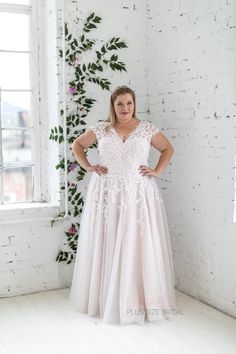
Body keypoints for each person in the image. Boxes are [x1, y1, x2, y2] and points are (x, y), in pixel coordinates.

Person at [68, 85, 179, 325]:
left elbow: (168, 148)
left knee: (137, 243)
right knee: (107, 241)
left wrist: (157, 171)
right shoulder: (102, 129)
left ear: (134, 104)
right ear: (113, 105)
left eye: (129, 103)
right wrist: (88, 166)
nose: (125, 108)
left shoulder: (146, 129)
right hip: (107, 192)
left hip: (138, 192)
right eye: (120, 104)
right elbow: (77, 145)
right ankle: (107, 299)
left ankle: (138, 301)